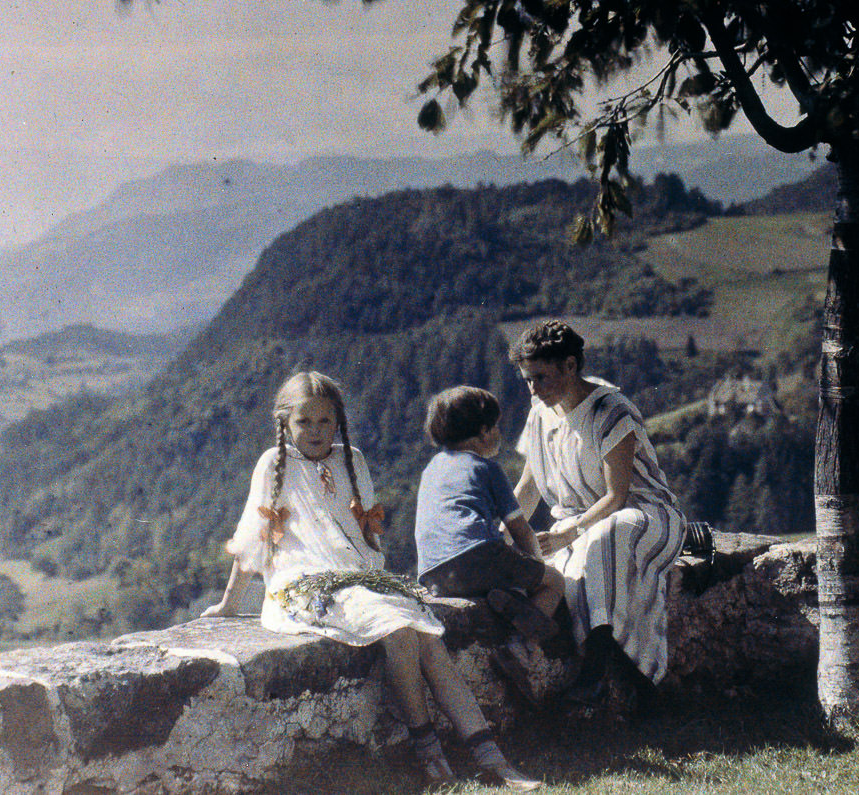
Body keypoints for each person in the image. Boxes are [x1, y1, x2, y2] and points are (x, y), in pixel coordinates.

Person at [202, 371, 541, 790]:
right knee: (400, 633)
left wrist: (368, 577)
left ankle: (491, 756)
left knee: (427, 639)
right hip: (302, 584)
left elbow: (365, 539)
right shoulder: (275, 463)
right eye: (304, 422)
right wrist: (230, 605)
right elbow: (253, 538)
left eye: (325, 421)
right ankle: (429, 752)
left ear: (338, 421)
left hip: (358, 579)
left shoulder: (353, 460)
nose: (315, 431)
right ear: (286, 424)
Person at [510, 321, 688, 708]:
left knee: (606, 538)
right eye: (527, 380)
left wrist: (567, 534)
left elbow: (617, 496)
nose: (533, 389)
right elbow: (528, 488)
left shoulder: (610, 409)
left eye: (540, 377)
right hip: (581, 522)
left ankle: (594, 668)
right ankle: (617, 677)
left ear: (570, 366)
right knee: (566, 560)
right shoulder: (539, 414)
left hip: (643, 514)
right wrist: (502, 534)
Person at [415, 385, 564, 643]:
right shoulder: (486, 468)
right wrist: (535, 568)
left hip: (432, 574)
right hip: (477, 558)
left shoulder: (430, 469)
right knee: (554, 582)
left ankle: (505, 599)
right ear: (484, 432)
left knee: (499, 577)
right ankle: (518, 647)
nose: (499, 432)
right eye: (495, 426)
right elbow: (521, 531)